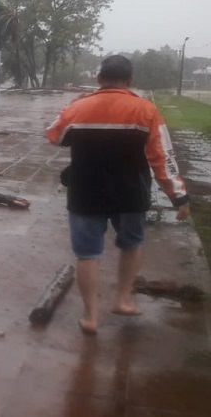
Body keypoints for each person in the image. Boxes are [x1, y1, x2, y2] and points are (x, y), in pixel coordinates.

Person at [46, 55, 189, 335]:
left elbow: (54, 135)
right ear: (130, 80)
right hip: (131, 193)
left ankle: (90, 316)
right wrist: (178, 196)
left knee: (87, 255)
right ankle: (122, 299)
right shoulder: (146, 110)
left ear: (99, 79)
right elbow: (162, 157)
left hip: (85, 193)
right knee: (132, 245)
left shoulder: (79, 107)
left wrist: (77, 107)